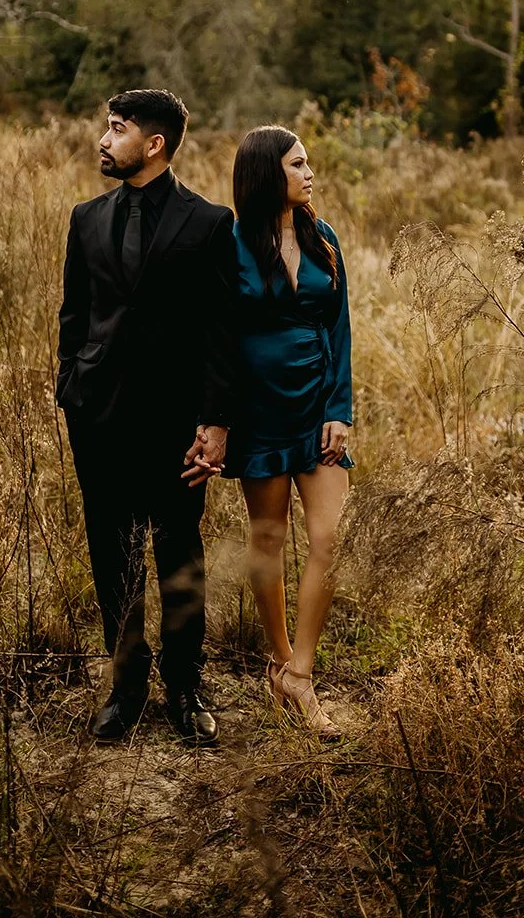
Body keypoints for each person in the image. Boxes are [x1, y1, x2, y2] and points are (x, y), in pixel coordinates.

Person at [56, 89, 239, 747]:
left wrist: (215, 422)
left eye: (116, 129)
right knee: (111, 548)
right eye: (107, 129)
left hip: (175, 418)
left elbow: (224, 331)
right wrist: (68, 386)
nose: (103, 140)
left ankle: (186, 685)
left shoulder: (209, 223)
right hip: (96, 411)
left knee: (176, 547)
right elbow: (74, 314)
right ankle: (126, 683)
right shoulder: (85, 218)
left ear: (153, 143)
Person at [222, 125, 352, 739]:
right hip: (259, 414)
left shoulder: (322, 239)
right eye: (298, 164)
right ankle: (277, 662)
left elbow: (340, 330)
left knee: (330, 539)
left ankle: (301, 671)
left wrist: (341, 409)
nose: (309, 173)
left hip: (318, 410)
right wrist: (216, 417)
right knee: (268, 541)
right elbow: (216, 338)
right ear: (266, 174)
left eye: (309, 163)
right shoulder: (231, 244)